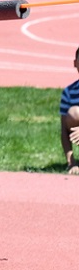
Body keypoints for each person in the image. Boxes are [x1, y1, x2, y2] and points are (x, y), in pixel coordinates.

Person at [59, 46, 79, 175]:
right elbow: (64, 130)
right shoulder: (69, 92)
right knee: (73, 113)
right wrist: (71, 163)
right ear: (75, 63)